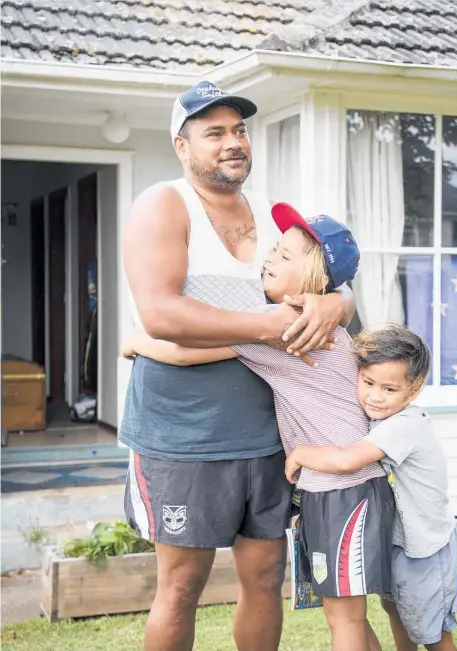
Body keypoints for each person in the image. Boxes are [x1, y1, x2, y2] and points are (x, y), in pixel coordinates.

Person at [120, 81, 355, 651]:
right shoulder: (163, 204)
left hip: (270, 432)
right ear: (182, 145)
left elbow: (332, 284)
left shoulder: (277, 219)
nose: (233, 143)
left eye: (240, 131)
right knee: (180, 587)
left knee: (266, 579)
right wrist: (269, 327)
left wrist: (335, 303)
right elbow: (161, 313)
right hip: (184, 434)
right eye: (215, 132)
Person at [123, 204, 394, 651]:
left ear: (311, 280)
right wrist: (336, 300)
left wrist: (135, 341)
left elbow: (187, 351)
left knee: (344, 616)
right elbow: (340, 299)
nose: (270, 258)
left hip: (339, 487)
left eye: (285, 257)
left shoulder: (291, 328)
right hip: (348, 485)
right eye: (274, 248)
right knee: (349, 612)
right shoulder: (316, 320)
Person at [285, 326, 457, 651]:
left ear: (413, 389)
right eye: (368, 383)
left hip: (426, 548)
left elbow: (349, 459)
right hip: (397, 542)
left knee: (433, 635)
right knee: (396, 611)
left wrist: (300, 453)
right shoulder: (378, 418)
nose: (375, 396)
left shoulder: (405, 425)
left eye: (389, 389)